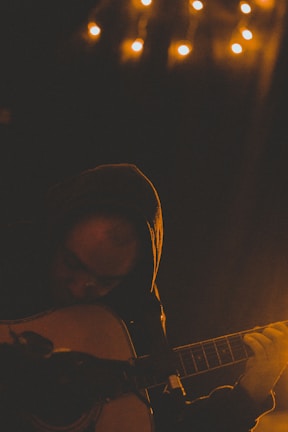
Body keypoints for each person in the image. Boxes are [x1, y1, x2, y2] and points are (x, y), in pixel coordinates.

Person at [0, 162, 288, 432]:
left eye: (106, 281)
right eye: (72, 264)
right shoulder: (11, 255)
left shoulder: (137, 318)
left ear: (132, 275)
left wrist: (250, 393)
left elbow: (171, 426)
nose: (79, 288)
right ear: (55, 234)